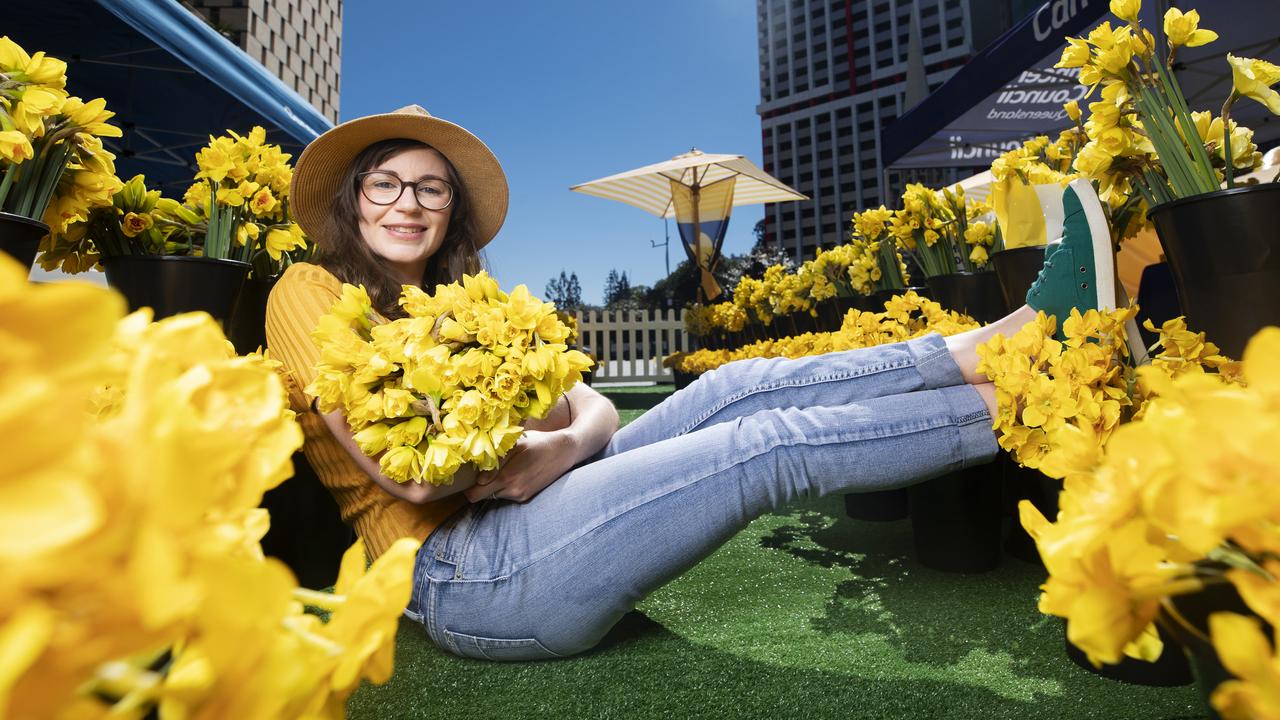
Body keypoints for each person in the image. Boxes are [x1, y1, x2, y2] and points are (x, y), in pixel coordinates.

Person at [266, 105, 1117, 662]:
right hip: (465, 576)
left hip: (520, 509)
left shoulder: (460, 308)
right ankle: (1043, 402)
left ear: (451, 212)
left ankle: (1006, 344)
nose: (408, 203)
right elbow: (411, 473)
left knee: (732, 389)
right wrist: (521, 440)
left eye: (432, 188)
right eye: (387, 183)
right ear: (353, 198)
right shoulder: (308, 293)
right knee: (760, 448)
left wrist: (555, 446)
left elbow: (588, 403)